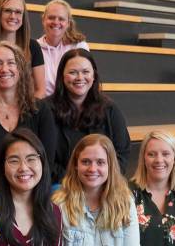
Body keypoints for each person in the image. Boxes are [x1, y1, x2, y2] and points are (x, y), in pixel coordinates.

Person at [40, 48, 129, 184]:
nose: (80, 78)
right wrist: (73, 181)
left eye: (85, 72)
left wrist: (100, 180)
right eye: (72, 72)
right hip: (61, 184)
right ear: (62, 76)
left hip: (101, 183)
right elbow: (43, 158)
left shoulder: (110, 109)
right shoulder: (45, 110)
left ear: (94, 76)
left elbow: (122, 153)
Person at [0, 42, 50, 191]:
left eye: (11, 63)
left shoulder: (41, 110)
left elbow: (47, 162)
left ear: (20, 69)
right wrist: (1, 194)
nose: (4, 69)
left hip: (32, 193)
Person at [0, 0, 45, 98]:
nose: (13, 16)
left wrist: (27, 112)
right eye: (8, 11)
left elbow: (40, 90)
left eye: (18, 12)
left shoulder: (33, 46)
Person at [36, 0, 89, 97]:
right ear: (43, 20)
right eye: (51, 17)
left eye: (61, 19)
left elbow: (84, 82)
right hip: (44, 106)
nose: (56, 22)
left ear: (68, 23)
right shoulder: (34, 47)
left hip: (72, 104)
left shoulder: (79, 46)